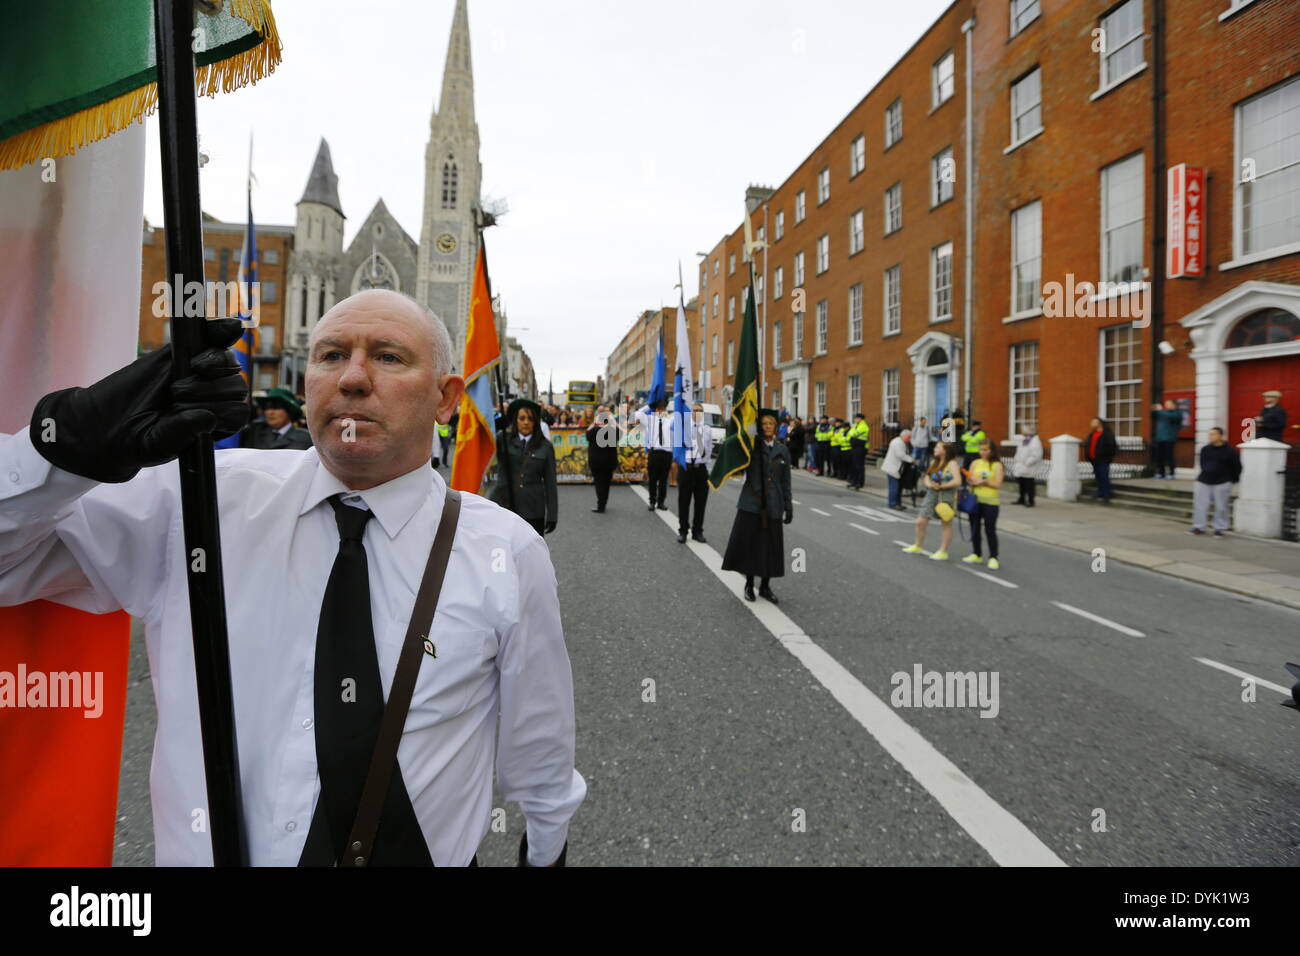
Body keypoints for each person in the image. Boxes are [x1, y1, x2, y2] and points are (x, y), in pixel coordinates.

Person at [0, 288, 583, 866]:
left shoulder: (505, 551)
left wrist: (546, 846)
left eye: (388, 357)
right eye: (330, 356)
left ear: (446, 397)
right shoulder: (197, 501)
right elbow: (11, 563)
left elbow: (539, 743)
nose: (352, 378)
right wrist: (65, 447)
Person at [721, 409, 793, 603]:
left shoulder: (783, 450)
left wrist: (788, 506)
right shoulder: (752, 447)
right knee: (751, 545)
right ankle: (749, 584)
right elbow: (735, 442)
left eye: (771, 424)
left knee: (770, 547)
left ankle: (765, 586)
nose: (767, 427)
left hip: (774, 504)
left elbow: (785, 481)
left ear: (776, 427)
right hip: (752, 503)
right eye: (764, 424)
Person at [491, 398, 559, 538]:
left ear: (536, 422)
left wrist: (552, 514)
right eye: (522, 418)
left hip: (533, 509)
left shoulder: (545, 446)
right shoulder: (503, 439)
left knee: (531, 554)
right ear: (516, 420)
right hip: (505, 505)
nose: (526, 422)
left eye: (530, 419)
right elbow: (484, 446)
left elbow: (550, 483)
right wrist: (498, 422)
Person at [902, 441, 961, 561]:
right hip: (931, 494)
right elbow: (927, 476)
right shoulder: (935, 462)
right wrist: (929, 484)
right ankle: (918, 545)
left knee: (945, 523)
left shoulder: (952, 463)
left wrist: (942, 486)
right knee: (920, 521)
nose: (934, 449)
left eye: (938, 447)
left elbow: (957, 481)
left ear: (945, 450)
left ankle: (943, 551)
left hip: (946, 496)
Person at [1190, 427, 1241, 537]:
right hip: (1204, 480)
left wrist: (1232, 479)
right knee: (1200, 505)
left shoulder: (1230, 451)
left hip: (1222, 482)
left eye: (1213, 434)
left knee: (1221, 506)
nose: (1210, 436)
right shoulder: (1205, 449)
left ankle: (1219, 528)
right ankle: (1199, 527)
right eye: (1210, 434)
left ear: (1220, 435)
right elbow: (1203, 464)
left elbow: (1237, 467)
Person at [963, 439, 1004, 569]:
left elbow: (997, 484)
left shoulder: (997, 465)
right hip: (975, 500)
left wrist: (984, 482)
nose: (983, 452)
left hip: (990, 502)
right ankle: (976, 553)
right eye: (981, 450)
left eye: (986, 450)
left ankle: (993, 557)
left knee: (990, 529)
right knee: (974, 528)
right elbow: (969, 479)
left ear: (991, 450)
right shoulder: (975, 462)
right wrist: (971, 481)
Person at [676, 402, 714, 543]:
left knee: (701, 502)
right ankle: (683, 531)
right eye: (695, 410)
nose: (697, 412)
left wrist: (703, 462)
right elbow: (678, 448)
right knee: (684, 501)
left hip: (701, 469)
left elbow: (709, 449)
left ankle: (697, 531)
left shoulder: (707, 430)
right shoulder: (683, 428)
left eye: (700, 410)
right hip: (686, 468)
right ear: (691, 413)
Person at [240, 387, 313, 450]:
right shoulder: (253, 433)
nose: (270, 412)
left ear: (289, 411)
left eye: (276, 407)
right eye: (267, 408)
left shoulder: (305, 438)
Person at [637, 399, 674, 511]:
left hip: (667, 453)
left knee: (663, 480)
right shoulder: (650, 420)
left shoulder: (670, 420)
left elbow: (682, 414)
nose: (660, 411)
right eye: (658, 409)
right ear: (655, 410)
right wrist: (649, 406)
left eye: (662, 409)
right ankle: (652, 501)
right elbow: (637, 414)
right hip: (654, 453)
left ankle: (661, 502)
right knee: (652, 479)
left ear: (665, 410)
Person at [586, 404, 621, 513]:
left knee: (599, 482)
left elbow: (587, 434)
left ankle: (600, 504)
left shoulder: (594, 430)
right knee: (606, 482)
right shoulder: (612, 431)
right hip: (609, 461)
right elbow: (621, 432)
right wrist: (613, 421)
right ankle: (603, 502)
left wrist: (594, 423)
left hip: (596, 461)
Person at [1085, 417, 1117, 504]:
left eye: (1094, 422)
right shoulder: (1092, 434)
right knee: (1098, 477)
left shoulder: (1107, 434)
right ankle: (1100, 493)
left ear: (1099, 423)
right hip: (1094, 460)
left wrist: (1106, 456)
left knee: (1104, 477)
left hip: (1103, 460)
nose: (1091, 424)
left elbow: (1112, 447)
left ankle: (1107, 494)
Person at [881, 428, 914, 510]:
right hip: (893, 468)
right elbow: (900, 455)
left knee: (898, 487)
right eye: (908, 437)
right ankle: (892, 503)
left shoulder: (902, 442)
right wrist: (911, 460)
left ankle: (898, 503)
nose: (909, 439)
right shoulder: (897, 442)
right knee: (894, 487)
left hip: (897, 469)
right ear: (904, 436)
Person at [1011, 425, 1043, 506]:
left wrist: (1027, 462)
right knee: (1021, 484)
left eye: (1024, 431)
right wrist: (1017, 459)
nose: (1023, 433)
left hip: (1028, 467)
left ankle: (1031, 501)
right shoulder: (1025, 440)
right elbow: (1019, 451)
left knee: (1029, 485)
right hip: (1021, 466)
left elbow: (1036, 454)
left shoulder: (1035, 441)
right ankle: (1021, 499)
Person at [1151, 400, 1181, 479]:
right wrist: (1154, 409)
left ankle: (1171, 474)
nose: (1167, 406)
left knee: (1169, 457)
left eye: (1169, 404)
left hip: (1169, 439)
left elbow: (1170, 416)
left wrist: (1159, 410)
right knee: (1159, 457)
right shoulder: (1163, 413)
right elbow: (1153, 415)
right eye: (1166, 404)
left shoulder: (1177, 413)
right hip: (1160, 438)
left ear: (1174, 405)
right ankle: (1161, 473)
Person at [847, 413, 870, 490]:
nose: (855, 419)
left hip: (860, 447)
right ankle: (854, 481)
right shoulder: (856, 425)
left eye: (856, 418)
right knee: (853, 465)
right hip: (855, 447)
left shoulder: (863, 426)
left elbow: (853, 434)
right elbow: (849, 434)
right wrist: (850, 435)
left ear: (860, 419)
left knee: (859, 465)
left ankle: (860, 482)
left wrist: (851, 435)